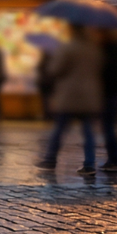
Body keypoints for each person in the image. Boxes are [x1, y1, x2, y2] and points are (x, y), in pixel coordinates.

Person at [37, 23, 103, 174]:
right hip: (89, 96)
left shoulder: (68, 48)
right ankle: (89, 164)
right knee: (88, 132)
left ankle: (50, 159)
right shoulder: (93, 49)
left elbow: (55, 69)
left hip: (70, 95)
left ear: (72, 29)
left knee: (59, 129)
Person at [98, 29, 117, 173]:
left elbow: (106, 72)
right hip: (113, 92)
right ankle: (113, 159)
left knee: (108, 127)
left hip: (108, 93)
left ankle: (114, 160)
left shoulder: (109, 50)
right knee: (108, 127)